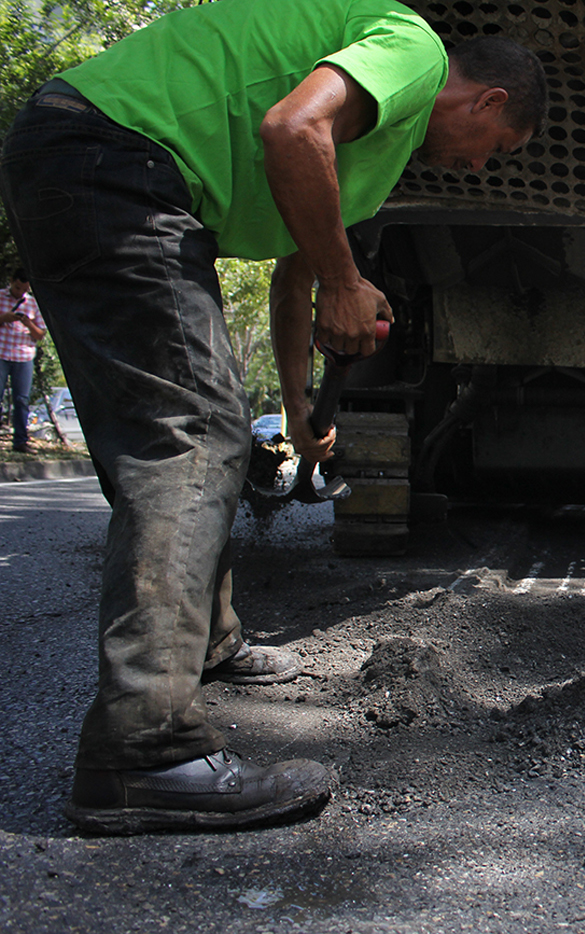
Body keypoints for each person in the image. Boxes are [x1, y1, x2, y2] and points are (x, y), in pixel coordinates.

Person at [0, 0, 546, 835]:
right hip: (115, 160)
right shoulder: (414, 49)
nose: (477, 170)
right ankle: (143, 755)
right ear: (490, 102)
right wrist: (343, 277)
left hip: (95, 163)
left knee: (174, 427)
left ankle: (207, 642)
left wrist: (300, 416)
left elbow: (296, 284)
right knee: (190, 441)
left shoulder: (374, 149)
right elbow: (292, 129)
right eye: (493, 154)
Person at [0, 268, 46, 453]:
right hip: (1, 354)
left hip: (23, 357)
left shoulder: (32, 303)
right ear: (12, 281)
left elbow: (41, 334)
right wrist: (5, 318)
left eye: (24, 289)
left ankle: (20, 441)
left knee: (21, 400)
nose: (20, 292)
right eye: (17, 287)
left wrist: (28, 323)